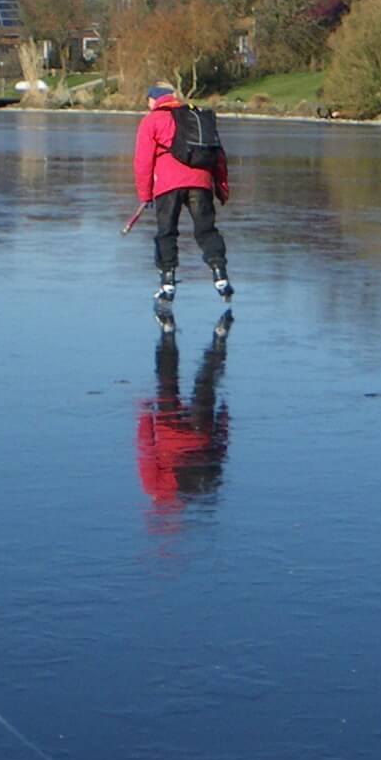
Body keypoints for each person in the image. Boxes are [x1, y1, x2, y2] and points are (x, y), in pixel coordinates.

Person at [133, 81, 232, 311]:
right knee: (206, 230)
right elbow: (218, 155)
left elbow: (143, 161)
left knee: (166, 232)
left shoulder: (152, 120)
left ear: (154, 99)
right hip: (201, 183)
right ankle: (220, 274)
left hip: (168, 186)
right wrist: (222, 188)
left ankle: (167, 281)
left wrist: (145, 194)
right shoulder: (195, 118)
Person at [135, 314, 229, 524]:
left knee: (205, 384)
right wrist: (145, 415)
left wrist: (223, 421)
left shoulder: (195, 489)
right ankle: (168, 334)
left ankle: (219, 340)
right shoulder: (154, 488)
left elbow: (218, 454)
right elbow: (146, 451)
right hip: (169, 429)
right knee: (167, 381)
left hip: (199, 435)